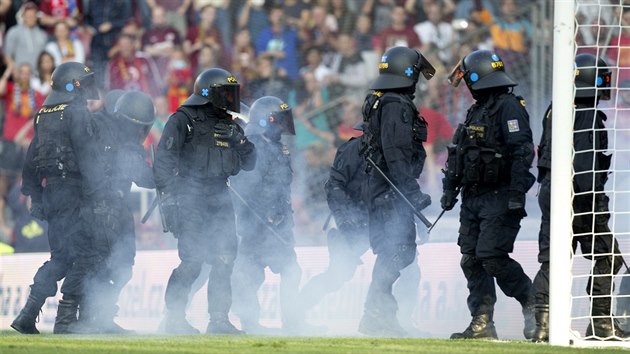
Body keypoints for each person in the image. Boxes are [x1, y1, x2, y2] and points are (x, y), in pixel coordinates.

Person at [532, 54, 628, 341]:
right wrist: (592, 204)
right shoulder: (587, 113)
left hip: (552, 191)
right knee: (608, 257)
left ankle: (540, 324)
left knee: (554, 260)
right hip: (579, 197)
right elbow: (585, 167)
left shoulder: (556, 108)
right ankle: (600, 324)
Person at [154, 68, 256, 334]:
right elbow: (163, 163)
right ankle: (174, 319)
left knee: (224, 259)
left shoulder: (232, 124)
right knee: (192, 261)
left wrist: (241, 141)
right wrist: (169, 200)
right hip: (190, 196)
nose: (232, 99)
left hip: (221, 196)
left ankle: (219, 320)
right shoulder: (183, 119)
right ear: (211, 94)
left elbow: (250, 163)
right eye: (226, 93)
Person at [443, 49, 536, 340]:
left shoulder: (509, 107)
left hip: (500, 195)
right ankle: (482, 322)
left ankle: (535, 305)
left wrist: (517, 194)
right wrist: (449, 190)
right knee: (470, 259)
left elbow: (522, 151)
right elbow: (459, 153)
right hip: (473, 196)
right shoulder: (477, 109)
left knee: (491, 256)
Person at [299, 123, 422, 334]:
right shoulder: (353, 150)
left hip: (383, 220)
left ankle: (401, 320)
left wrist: (417, 223)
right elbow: (334, 186)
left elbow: (404, 191)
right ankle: (296, 312)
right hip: (356, 224)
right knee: (338, 275)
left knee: (408, 268)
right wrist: (347, 221)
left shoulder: (395, 153)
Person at [12, 61, 98, 334]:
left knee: (61, 257)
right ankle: (66, 320)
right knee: (85, 255)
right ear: (74, 85)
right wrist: (98, 191)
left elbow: (31, 160)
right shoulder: (76, 112)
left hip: (52, 193)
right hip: (74, 192)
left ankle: (28, 314)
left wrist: (35, 196)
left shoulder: (43, 114)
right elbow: (87, 156)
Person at [358, 46, 433, 337]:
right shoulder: (395, 104)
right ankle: (375, 315)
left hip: (384, 190)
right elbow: (397, 152)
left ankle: (378, 316)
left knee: (396, 251)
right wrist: (412, 192)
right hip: (392, 192)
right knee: (397, 251)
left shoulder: (381, 101)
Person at [74, 90, 156, 333]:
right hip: (109, 210)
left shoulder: (102, 130)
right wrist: (168, 173)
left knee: (109, 267)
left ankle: (96, 318)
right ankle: (94, 319)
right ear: (138, 126)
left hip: (101, 206)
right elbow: (144, 178)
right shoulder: (125, 144)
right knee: (115, 267)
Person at [230, 96, 302, 335]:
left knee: (291, 270)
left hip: (280, 223)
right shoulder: (251, 146)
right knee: (250, 274)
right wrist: (265, 215)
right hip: (257, 224)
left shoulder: (276, 146)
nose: (282, 126)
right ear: (266, 121)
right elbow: (245, 188)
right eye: (278, 121)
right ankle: (250, 322)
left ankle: (292, 322)